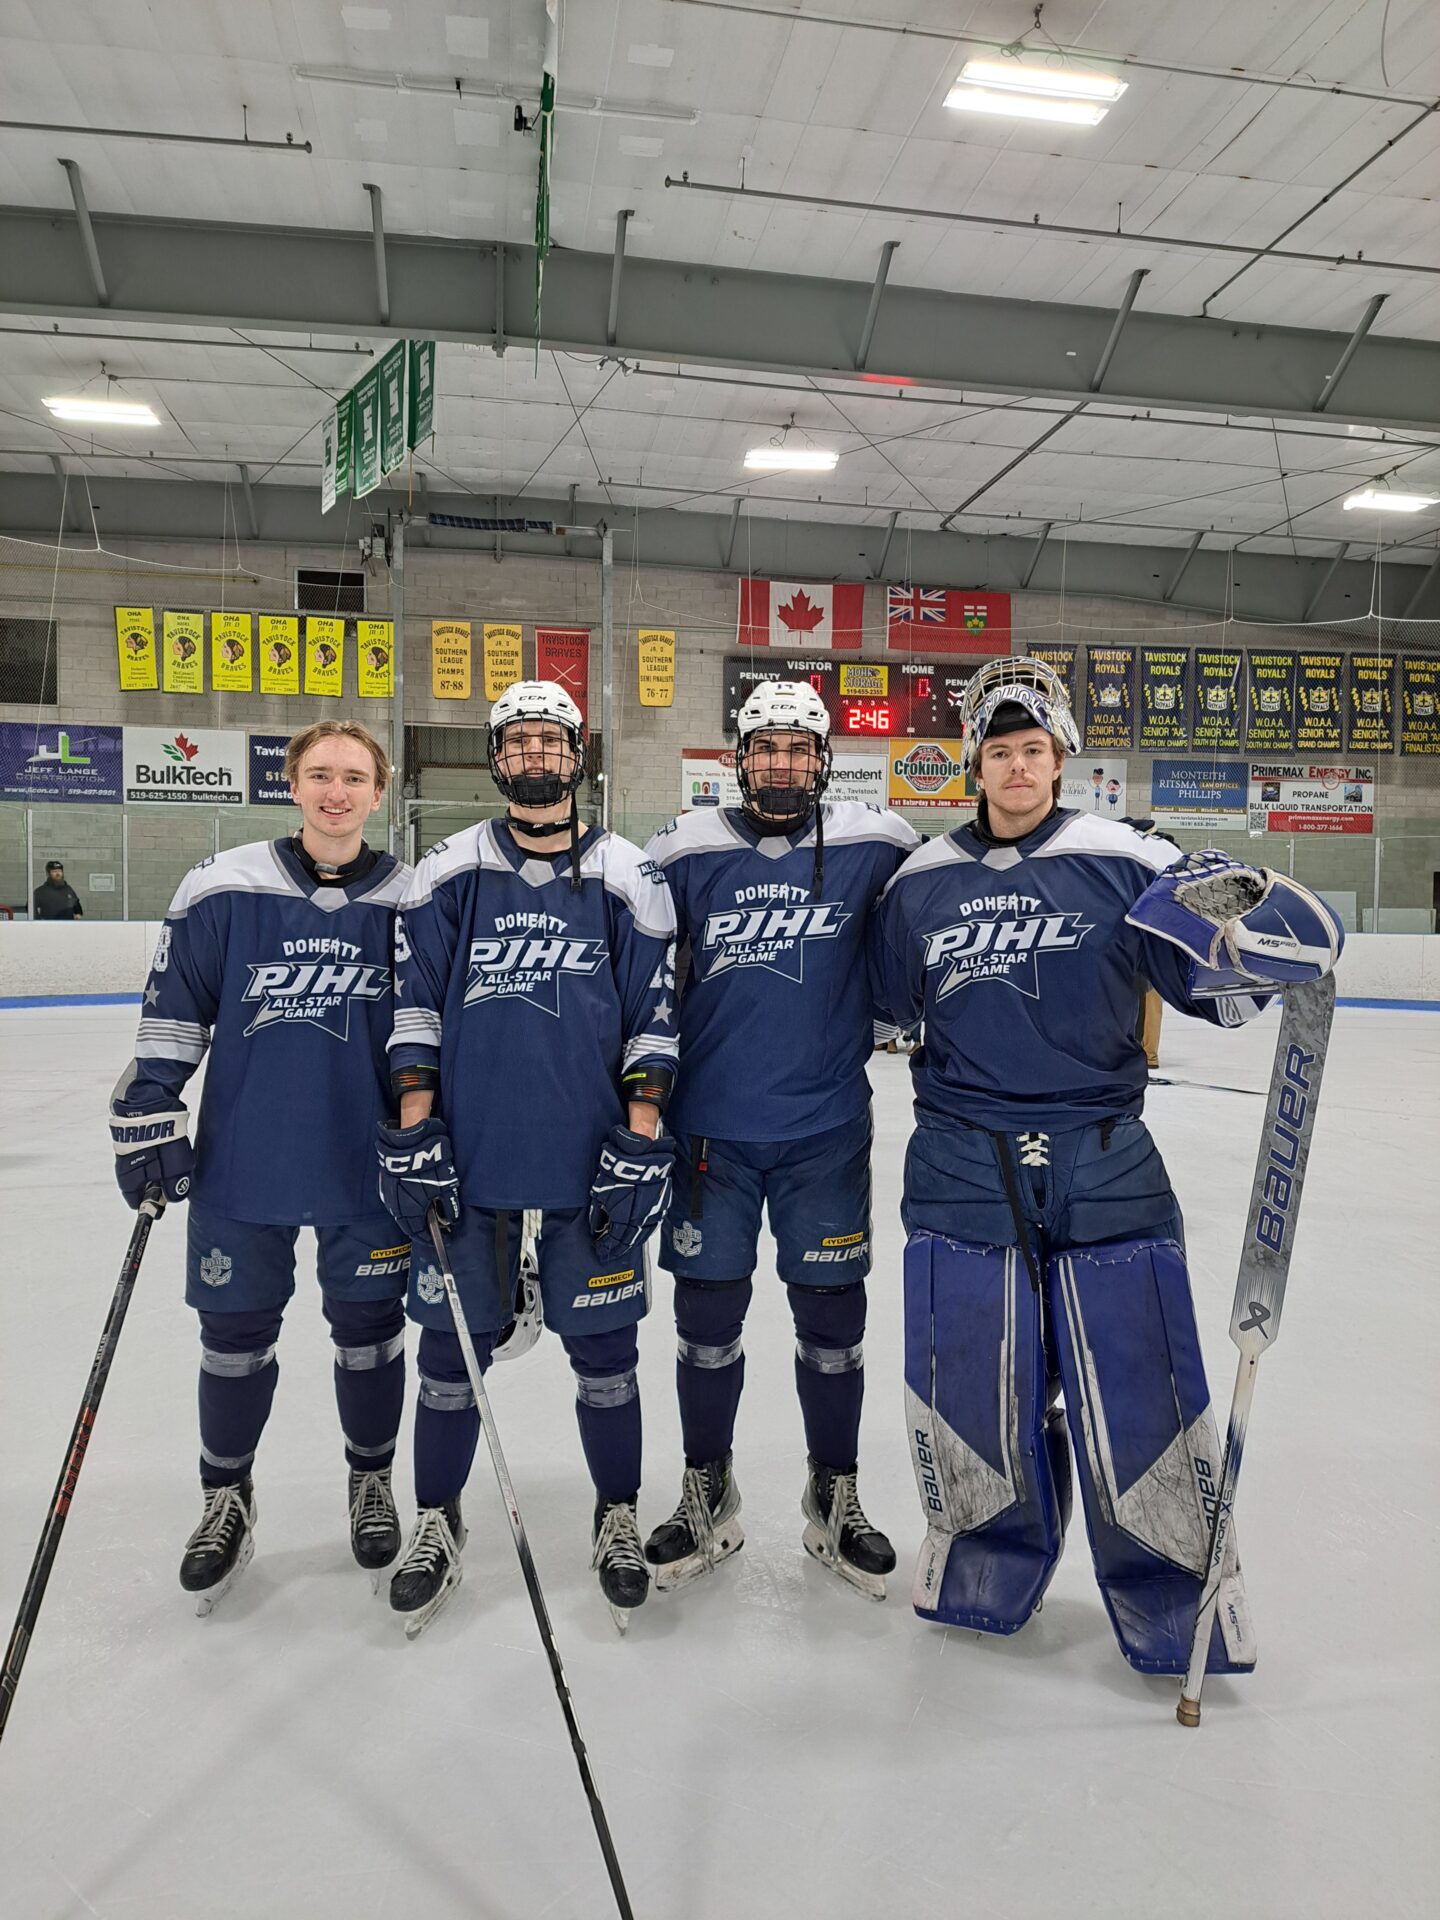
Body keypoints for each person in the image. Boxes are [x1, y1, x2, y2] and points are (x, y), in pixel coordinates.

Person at [871, 657, 1343, 1674]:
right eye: (1000, 752)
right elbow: (882, 1008)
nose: (1017, 768)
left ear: (1061, 760)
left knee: (1141, 1377)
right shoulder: (919, 882)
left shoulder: (1128, 861)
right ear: (975, 765)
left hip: (1103, 1150)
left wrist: (1249, 937)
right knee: (969, 1380)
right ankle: (982, 1560)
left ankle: (1177, 1590)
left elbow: (1215, 989)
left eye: (1033, 750)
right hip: (959, 1156)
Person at [377, 680, 678, 1633]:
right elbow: (416, 1007)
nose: (535, 755)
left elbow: (654, 1017)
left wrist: (640, 1137)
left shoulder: (629, 872)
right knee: (450, 1351)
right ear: (495, 758)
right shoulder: (447, 869)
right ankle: (438, 1518)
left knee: (607, 1352)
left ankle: (616, 1513)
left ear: (577, 755)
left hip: (590, 1158)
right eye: (519, 741)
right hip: (473, 1157)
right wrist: (417, 1129)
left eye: (552, 740)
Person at [108, 721, 411, 1610]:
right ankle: (226, 1497)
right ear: (292, 783)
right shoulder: (223, 886)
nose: (335, 792)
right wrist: (149, 1109)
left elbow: (435, 1034)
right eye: (320, 774)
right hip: (246, 1160)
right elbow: (173, 1016)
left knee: (369, 1332)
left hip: (368, 1165)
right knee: (234, 1340)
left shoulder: (413, 897)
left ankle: (371, 1480)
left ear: (379, 791)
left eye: (353, 777)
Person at [642, 680, 920, 1601]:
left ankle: (832, 1489)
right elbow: (632, 968)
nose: (782, 765)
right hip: (710, 1136)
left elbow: (954, 884)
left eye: (800, 749)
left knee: (833, 1324)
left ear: (824, 760)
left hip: (824, 1133)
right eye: (766, 747)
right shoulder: (683, 848)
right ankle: (706, 1485)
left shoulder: (877, 841)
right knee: (705, 1323)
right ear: (739, 756)